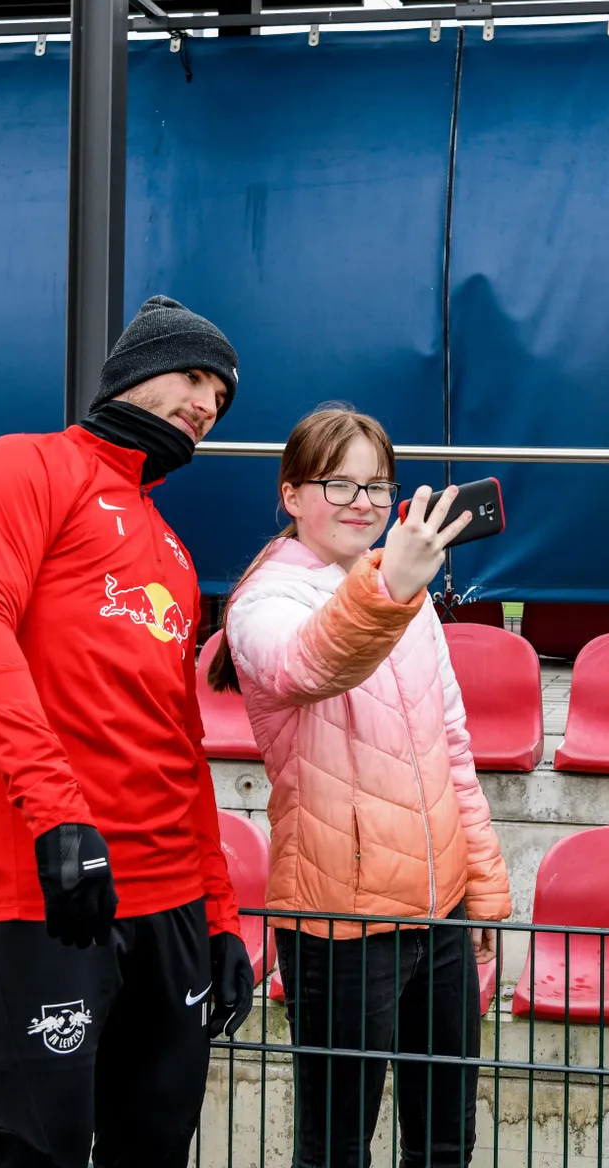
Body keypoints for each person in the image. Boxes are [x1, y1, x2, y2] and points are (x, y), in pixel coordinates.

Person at [0, 296, 255, 1168]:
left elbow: (182, 744)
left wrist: (221, 915)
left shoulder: (175, 553)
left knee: (155, 1150)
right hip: (49, 892)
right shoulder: (20, 468)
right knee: (35, 1152)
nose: (207, 403)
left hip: (173, 907)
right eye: (193, 376)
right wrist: (57, 815)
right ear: (129, 371)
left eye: (221, 398)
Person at [207, 404, 512, 1168]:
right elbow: (310, 664)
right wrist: (391, 586)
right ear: (290, 495)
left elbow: (451, 747)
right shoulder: (264, 603)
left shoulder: (398, 594)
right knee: (337, 1147)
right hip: (338, 920)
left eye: (378, 487)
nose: (362, 505)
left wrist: (482, 884)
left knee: (446, 1141)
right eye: (337, 484)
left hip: (438, 909)